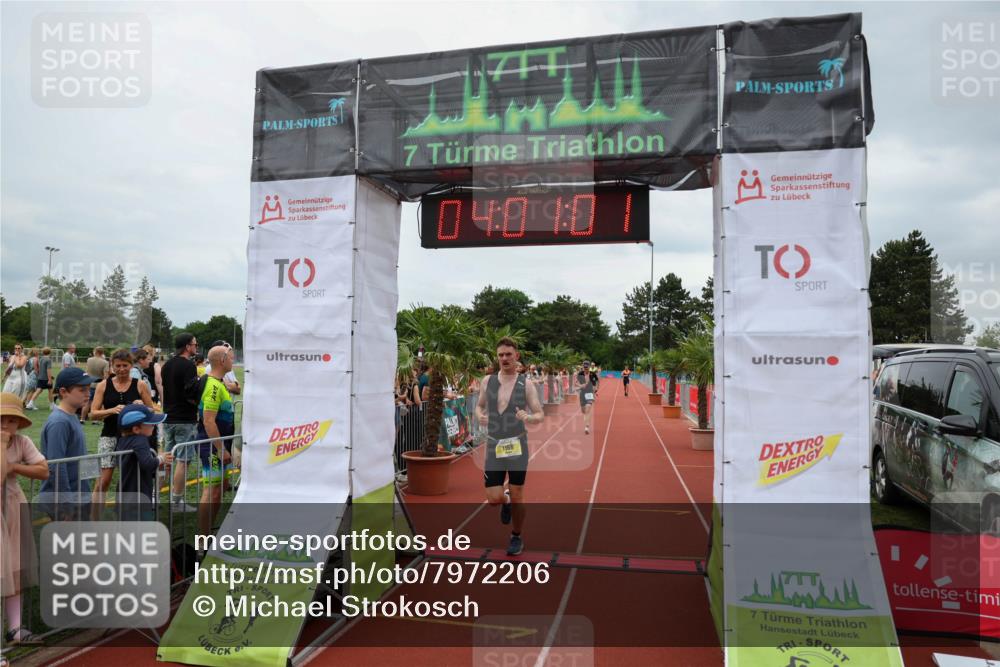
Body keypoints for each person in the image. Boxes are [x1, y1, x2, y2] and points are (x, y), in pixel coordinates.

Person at [475, 337, 544, 556]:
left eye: (508, 354)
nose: (504, 359)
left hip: (517, 445)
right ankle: (503, 500)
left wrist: (530, 417)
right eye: (500, 355)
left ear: (517, 356)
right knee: (494, 499)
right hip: (494, 445)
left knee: (518, 495)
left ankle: (516, 535)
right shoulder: (488, 381)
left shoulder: (526, 383)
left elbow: (540, 413)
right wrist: (479, 416)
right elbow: (478, 406)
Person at [1, 392, 48, 646]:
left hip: (13, 505)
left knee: (15, 567)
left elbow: (43, 470)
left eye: (11, 420)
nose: (5, 424)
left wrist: (16, 467)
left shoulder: (23, 442)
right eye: (1, 418)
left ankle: (15, 628)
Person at [89, 349, 155, 520]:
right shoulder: (104, 385)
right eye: (117, 366)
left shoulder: (139, 384)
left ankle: (129, 515)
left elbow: (153, 410)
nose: (121, 369)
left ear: (131, 365)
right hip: (109, 435)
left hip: (134, 438)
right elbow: (92, 413)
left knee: (132, 480)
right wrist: (112, 410)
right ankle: (95, 519)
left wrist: (141, 405)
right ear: (112, 366)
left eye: (125, 365)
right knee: (103, 481)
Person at [39, 367, 94, 519]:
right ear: (63, 392)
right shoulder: (59, 422)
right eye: (82, 389)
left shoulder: (72, 416)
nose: (88, 394)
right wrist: (67, 504)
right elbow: (56, 465)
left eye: (89, 389)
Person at [197, 345, 236, 537]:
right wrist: (221, 449)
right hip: (212, 445)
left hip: (219, 444)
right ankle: (203, 539)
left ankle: (209, 532)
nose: (233, 360)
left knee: (218, 490)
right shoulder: (213, 385)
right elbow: (208, 420)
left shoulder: (219, 382)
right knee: (211, 491)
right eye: (231, 357)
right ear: (222, 360)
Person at [161, 333, 200, 512]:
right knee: (183, 461)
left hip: (168, 417)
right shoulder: (189, 366)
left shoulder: (166, 365)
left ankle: (154, 494)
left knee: (166, 459)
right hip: (184, 419)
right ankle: (176, 502)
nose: (196, 347)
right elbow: (190, 393)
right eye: (195, 344)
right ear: (187, 346)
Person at [115, 404, 172, 520]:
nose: (154, 425)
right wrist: (161, 459)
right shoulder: (140, 440)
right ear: (136, 429)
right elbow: (147, 464)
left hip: (125, 489)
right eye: (150, 423)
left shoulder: (122, 440)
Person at [82, 347, 110, 423]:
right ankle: (96, 420)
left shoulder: (89, 360)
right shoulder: (105, 362)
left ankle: (82, 419)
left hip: (89, 383)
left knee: (87, 402)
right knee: (98, 402)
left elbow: (86, 372)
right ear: (102, 353)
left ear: (95, 352)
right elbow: (106, 376)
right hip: (99, 384)